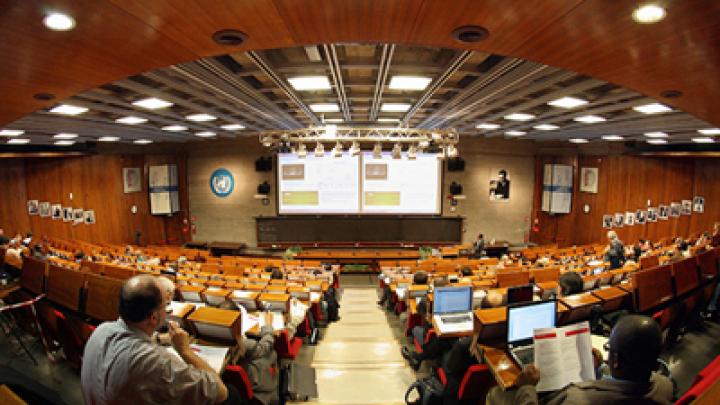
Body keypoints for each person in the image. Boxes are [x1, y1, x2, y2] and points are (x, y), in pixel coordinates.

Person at [81, 275, 234, 405]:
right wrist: (185, 350)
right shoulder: (154, 362)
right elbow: (220, 392)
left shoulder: (101, 329)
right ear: (153, 317)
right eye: (165, 305)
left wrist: (159, 339)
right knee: (233, 395)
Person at [486, 315, 673, 405]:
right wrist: (597, 370)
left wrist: (527, 387)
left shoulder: (577, 400)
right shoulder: (665, 386)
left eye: (609, 348)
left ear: (615, 361)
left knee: (495, 393)